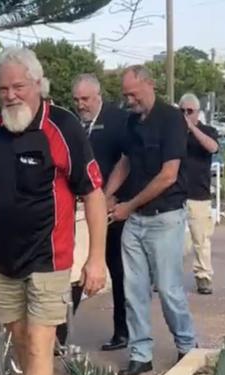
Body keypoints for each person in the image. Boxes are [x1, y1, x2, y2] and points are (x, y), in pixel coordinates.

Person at [0, 48, 107, 375]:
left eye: (18, 86)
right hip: (5, 258)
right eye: (2, 89)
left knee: (40, 340)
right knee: (20, 340)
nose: (10, 96)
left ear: (37, 84)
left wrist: (95, 258)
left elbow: (94, 194)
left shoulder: (63, 126)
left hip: (50, 257)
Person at [104, 65, 197, 375]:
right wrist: (106, 194)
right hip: (136, 220)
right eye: (126, 94)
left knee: (169, 289)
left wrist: (127, 205)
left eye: (134, 93)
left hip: (165, 218)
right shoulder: (131, 122)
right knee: (133, 290)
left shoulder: (171, 119)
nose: (130, 100)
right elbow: (125, 162)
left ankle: (187, 346)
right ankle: (140, 353)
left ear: (149, 85)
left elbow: (168, 175)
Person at [72, 73, 130, 352]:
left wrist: (115, 197)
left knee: (118, 272)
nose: (80, 104)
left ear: (98, 96)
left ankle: (123, 330)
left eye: (85, 99)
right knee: (72, 269)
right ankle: (58, 334)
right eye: (76, 100)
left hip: (112, 209)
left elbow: (128, 161)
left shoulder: (119, 120)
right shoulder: (74, 125)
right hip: (79, 213)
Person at [178, 92, 219, 295]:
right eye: (182, 110)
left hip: (198, 194)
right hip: (175, 194)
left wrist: (192, 128)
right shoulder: (173, 133)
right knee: (169, 239)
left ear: (197, 112)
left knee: (201, 239)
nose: (185, 114)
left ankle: (203, 276)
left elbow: (212, 147)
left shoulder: (207, 130)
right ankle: (166, 277)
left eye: (189, 111)